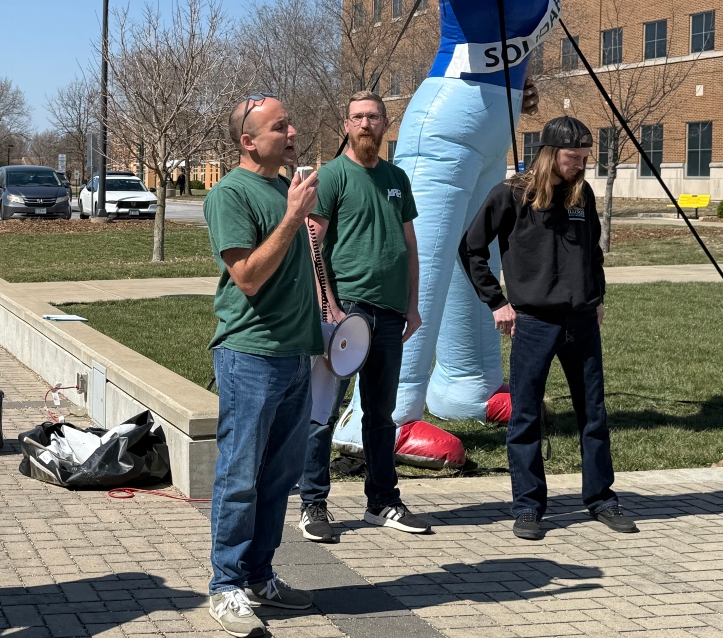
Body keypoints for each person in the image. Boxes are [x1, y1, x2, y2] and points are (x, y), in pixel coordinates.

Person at [334, 0, 551, 464]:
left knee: (469, 254)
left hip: (487, 127)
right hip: (450, 126)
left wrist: (523, 81)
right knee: (420, 266)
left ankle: (467, 384)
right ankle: (380, 417)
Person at [459, 115, 637, 541]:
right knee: (525, 414)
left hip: (581, 321)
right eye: (573, 158)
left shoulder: (583, 195)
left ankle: (601, 499)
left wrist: (597, 298)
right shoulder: (511, 194)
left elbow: (592, 253)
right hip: (534, 321)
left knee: (593, 413)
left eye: (583, 158)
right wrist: (496, 302)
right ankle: (528, 507)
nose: (580, 166)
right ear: (549, 154)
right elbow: (471, 249)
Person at [203, 94, 322, 638]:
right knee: (240, 476)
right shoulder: (230, 193)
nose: (292, 131)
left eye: (289, 124)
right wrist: (293, 218)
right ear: (249, 141)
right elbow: (248, 276)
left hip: (297, 354)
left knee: (279, 478)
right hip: (250, 356)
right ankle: (225, 586)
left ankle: (259, 576)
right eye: (280, 126)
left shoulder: (281, 187)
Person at [301, 91, 430, 539]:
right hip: (346, 312)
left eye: (373, 116)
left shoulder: (397, 178)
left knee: (381, 413)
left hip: (391, 314)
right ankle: (313, 503)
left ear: (385, 123)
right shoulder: (332, 176)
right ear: (346, 125)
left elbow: (409, 245)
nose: (365, 124)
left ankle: (383, 502)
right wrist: (328, 305)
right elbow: (313, 241)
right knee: (323, 408)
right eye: (357, 117)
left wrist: (412, 304)